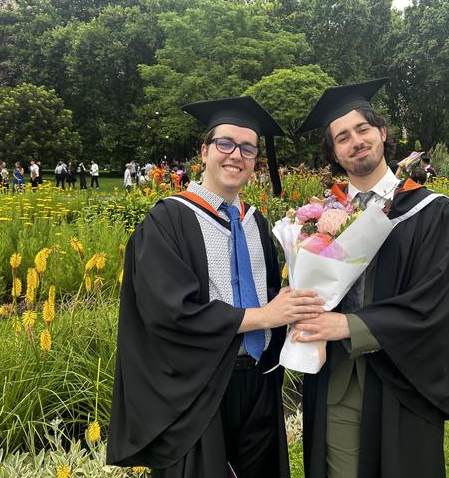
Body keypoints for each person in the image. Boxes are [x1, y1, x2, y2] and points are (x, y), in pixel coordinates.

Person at [107, 96, 324, 477]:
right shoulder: (167, 221)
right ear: (204, 150)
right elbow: (169, 310)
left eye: (247, 148)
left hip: (260, 381)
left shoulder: (257, 223)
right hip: (201, 386)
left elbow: (270, 295)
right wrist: (264, 315)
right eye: (225, 143)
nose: (235, 155)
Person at [293, 79, 449, 478]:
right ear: (335, 154)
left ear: (382, 133)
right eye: (342, 137)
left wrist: (346, 324)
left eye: (362, 129)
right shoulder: (320, 217)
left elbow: (439, 302)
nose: (355, 141)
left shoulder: (432, 212)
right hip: (338, 376)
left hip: (403, 380)